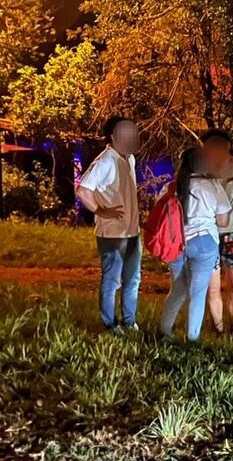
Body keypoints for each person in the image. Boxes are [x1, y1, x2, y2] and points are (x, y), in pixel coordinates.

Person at [76, 116, 142, 333]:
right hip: (112, 234)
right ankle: (110, 324)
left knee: (132, 279)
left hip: (132, 232)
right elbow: (84, 190)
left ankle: (129, 322)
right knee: (113, 281)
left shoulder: (129, 158)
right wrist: (102, 211)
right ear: (113, 137)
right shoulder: (105, 161)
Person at [160, 147, 231, 342]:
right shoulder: (213, 186)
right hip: (204, 243)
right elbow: (223, 221)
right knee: (198, 293)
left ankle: (164, 331)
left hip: (175, 244)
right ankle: (192, 339)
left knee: (177, 289)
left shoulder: (172, 187)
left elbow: (161, 214)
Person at [201, 130, 233, 338]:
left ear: (227, 145)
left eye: (216, 146)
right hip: (210, 233)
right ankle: (219, 330)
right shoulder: (204, 171)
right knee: (213, 288)